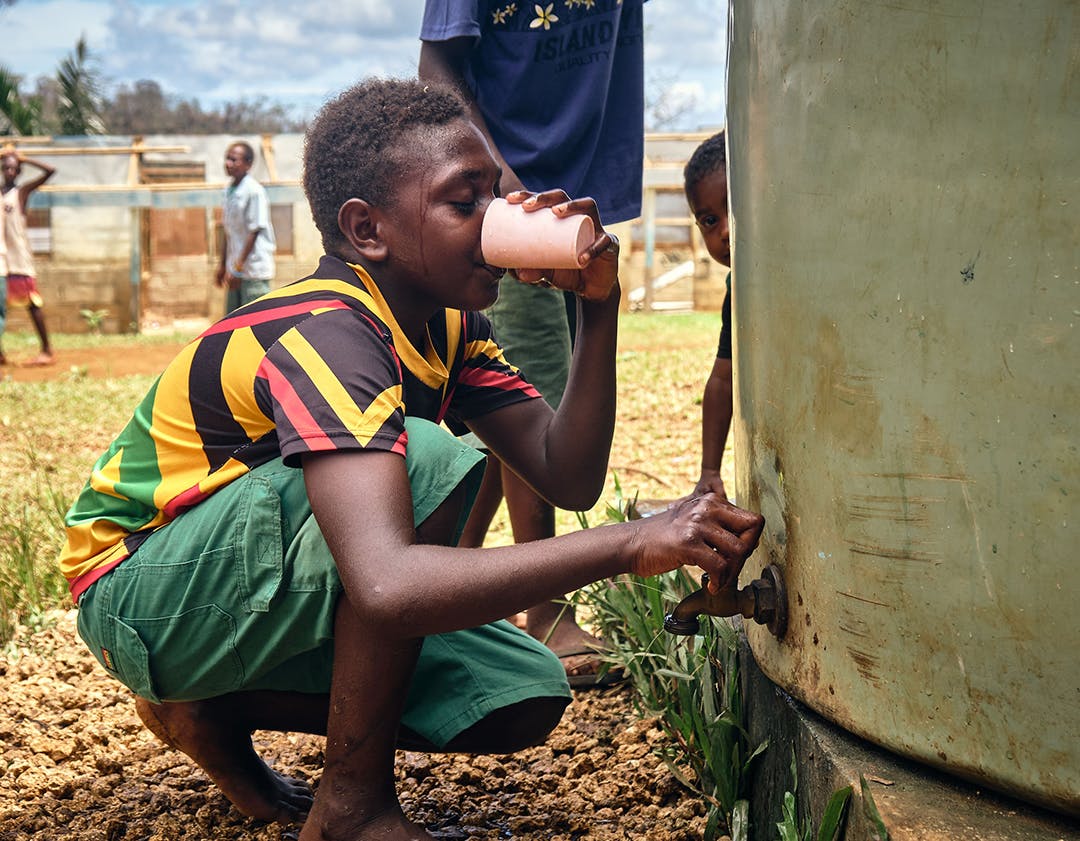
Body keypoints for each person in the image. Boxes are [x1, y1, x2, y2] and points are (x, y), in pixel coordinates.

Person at [58, 79, 764, 841]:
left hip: (242, 583)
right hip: (137, 589)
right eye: (466, 202)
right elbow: (388, 583)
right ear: (368, 230)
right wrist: (632, 542)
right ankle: (352, 810)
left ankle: (207, 709)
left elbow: (568, 473)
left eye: (497, 195)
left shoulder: (449, 329)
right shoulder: (329, 329)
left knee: (518, 690)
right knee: (426, 454)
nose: (497, 219)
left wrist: (598, 304)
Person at [419, 0, 647, 687]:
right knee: (528, 404)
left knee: (503, 409)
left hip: (579, 204)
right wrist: (499, 184)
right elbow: (437, 61)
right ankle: (542, 609)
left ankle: (448, 596)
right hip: (512, 207)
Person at [685, 132, 734, 500]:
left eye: (734, 208)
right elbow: (723, 378)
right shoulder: (739, 292)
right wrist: (710, 470)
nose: (726, 232)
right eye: (709, 219)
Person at [1, 152, 55, 365]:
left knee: (32, 304)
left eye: (14, 168)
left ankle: (47, 350)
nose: (10, 171)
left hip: (19, 260)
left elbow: (50, 171)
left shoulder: (20, 193)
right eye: (6, 167)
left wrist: (24, 158)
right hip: (1, 261)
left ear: (19, 171)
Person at [214, 140, 275, 313]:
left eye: (234, 160)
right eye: (227, 158)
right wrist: (223, 266)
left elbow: (254, 232)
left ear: (248, 164)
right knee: (233, 321)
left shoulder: (254, 191)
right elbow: (229, 233)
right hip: (235, 270)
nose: (228, 163)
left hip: (253, 270)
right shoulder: (228, 191)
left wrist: (238, 268)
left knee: (256, 322)